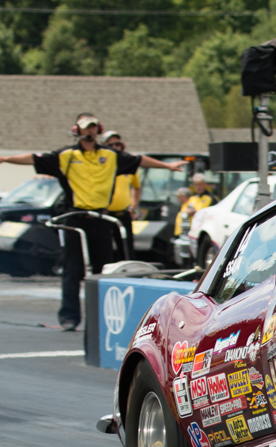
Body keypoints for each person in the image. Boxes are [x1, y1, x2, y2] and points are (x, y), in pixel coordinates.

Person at [0, 112, 184, 330]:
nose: (90, 131)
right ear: (77, 131)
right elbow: (34, 158)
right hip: (75, 219)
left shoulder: (110, 155)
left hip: (101, 219)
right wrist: (5, 158)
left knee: (103, 269)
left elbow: (138, 160)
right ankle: (69, 317)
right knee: (72, 269)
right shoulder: (66, 155)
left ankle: (102, 319)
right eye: (86, 127)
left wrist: (168, 166)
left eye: (94, 127)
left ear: (99, 130)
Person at [99, 130, 141, 259]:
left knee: (127, 249)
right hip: (104, 213)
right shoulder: (100, 164)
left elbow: (137, 187)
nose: (115, 148)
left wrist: (133, 207)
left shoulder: (128, 165)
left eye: (117, 144)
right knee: (104, 250)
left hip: (123, 213)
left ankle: (127, 276)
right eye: (110, 145)